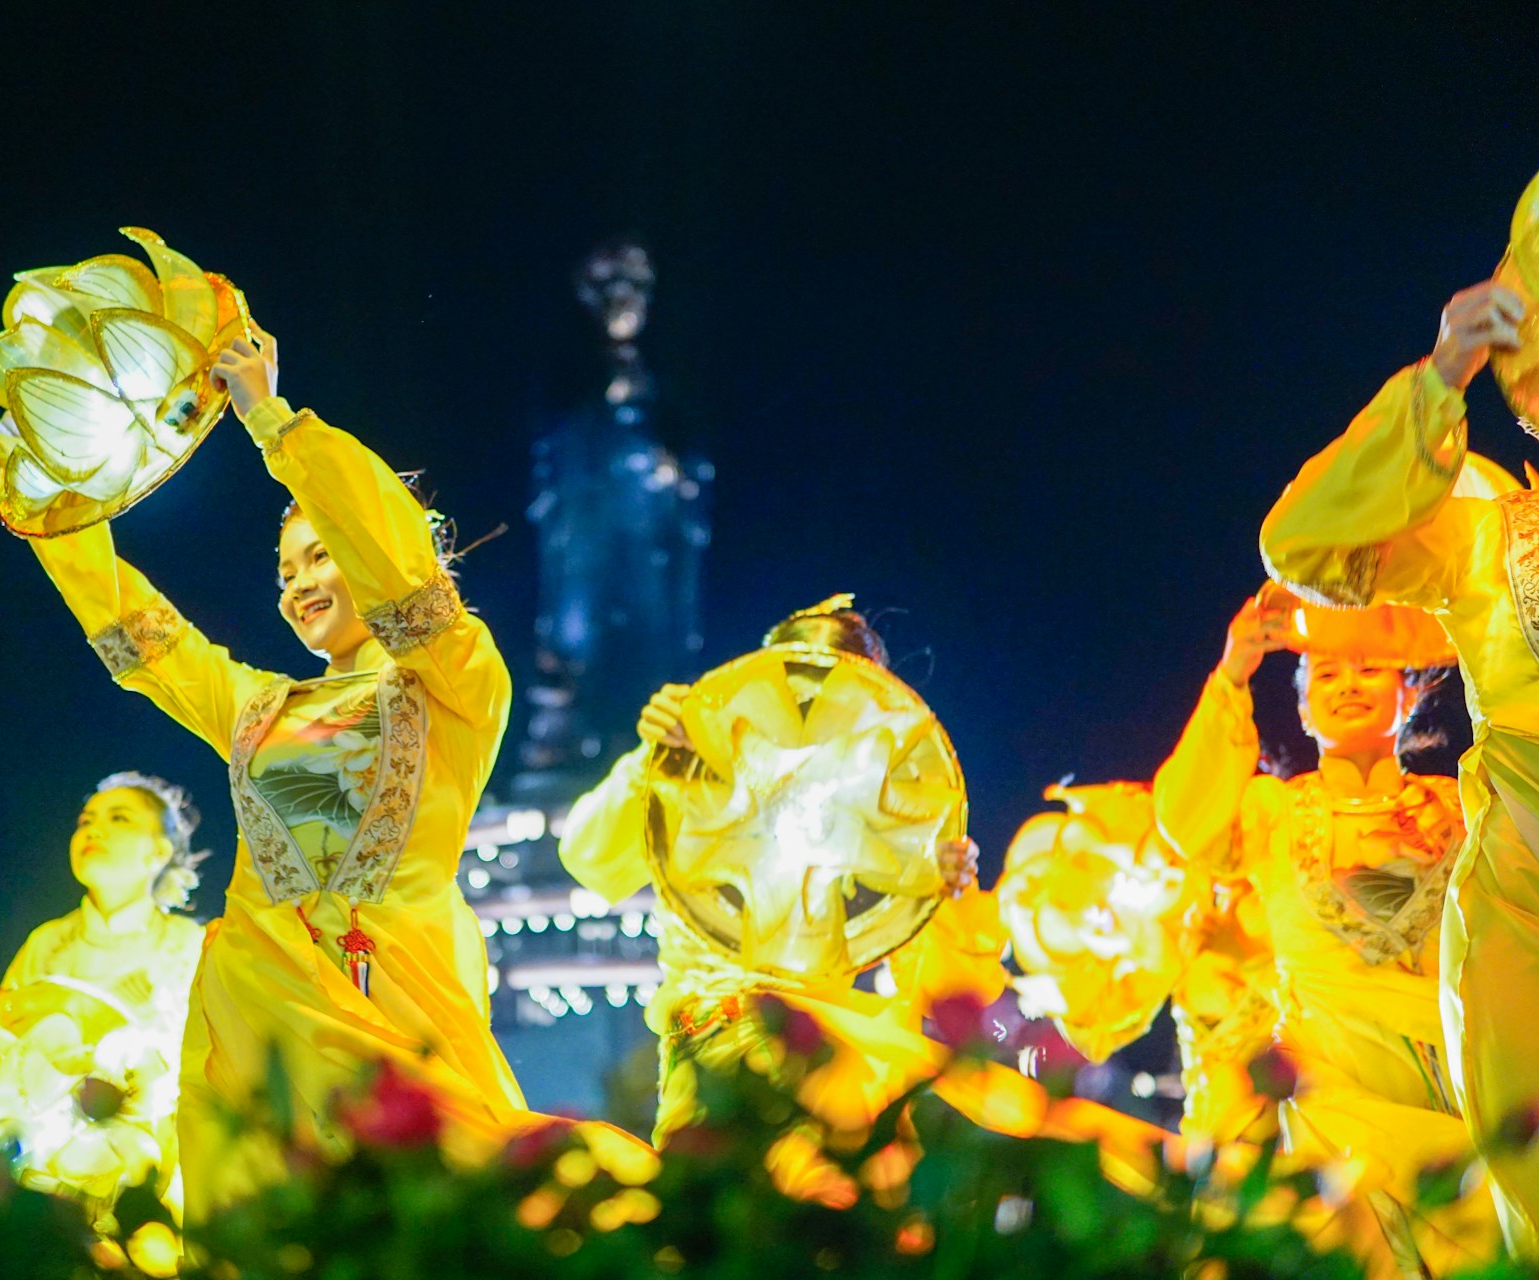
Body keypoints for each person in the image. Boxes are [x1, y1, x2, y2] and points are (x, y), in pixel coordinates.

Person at [23, 334, 546, 1216]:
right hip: (253, 1008)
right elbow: (146, 638)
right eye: (284, 571)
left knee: (422, 1224)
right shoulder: (256, 705)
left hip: (388, 998)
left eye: (319, 554)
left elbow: (394, 556)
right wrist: (54, 510)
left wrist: (271, 420)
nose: (298, 584)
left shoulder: (455, 681)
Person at [560, 597, 1162, 1201]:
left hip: (833, 1070)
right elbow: (590, 860)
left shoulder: (890, 814)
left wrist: (946, 896)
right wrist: (648, 764)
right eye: (806, 691)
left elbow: (960, 996)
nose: (818, 713)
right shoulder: (696, 763)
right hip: (719, 1051)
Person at [1259, 273, 1539, 1260]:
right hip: (1512, 933)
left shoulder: (1435, 803)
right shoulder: (1489, 530)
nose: (1348, 687)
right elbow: (1307, 539)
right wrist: (1440, 377)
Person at [1153, 587, 1499, 1275]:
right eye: (1327, 676)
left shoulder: (1460, 802)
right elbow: (1187, 825)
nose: (1347, 685)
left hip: (1460, 1084)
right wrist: (1234, 669)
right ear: (1305, 710)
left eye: (1369, 669)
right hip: (1329, 1094)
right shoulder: (1268, 810)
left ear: (1408, 696)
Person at [0, 772, 208, 1216]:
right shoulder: (48, 943)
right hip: (43, 1168)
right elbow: (1, 1041)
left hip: (146, 1164)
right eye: (85, 820)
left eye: (119, 818)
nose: (94, 830)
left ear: (160, 850)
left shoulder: (188, 945)